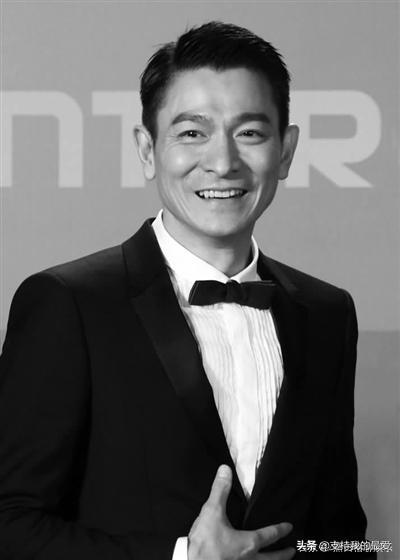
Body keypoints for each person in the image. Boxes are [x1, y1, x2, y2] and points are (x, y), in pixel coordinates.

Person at [0, 21, 374, 560]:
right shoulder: (68, 304)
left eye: (250, 133)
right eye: (192, 133)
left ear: (286, 151)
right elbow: (10, 524)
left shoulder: (327, 314)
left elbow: (345, 536)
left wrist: (316, 552)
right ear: (147, 149)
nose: (222, 162)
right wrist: (180, 556)